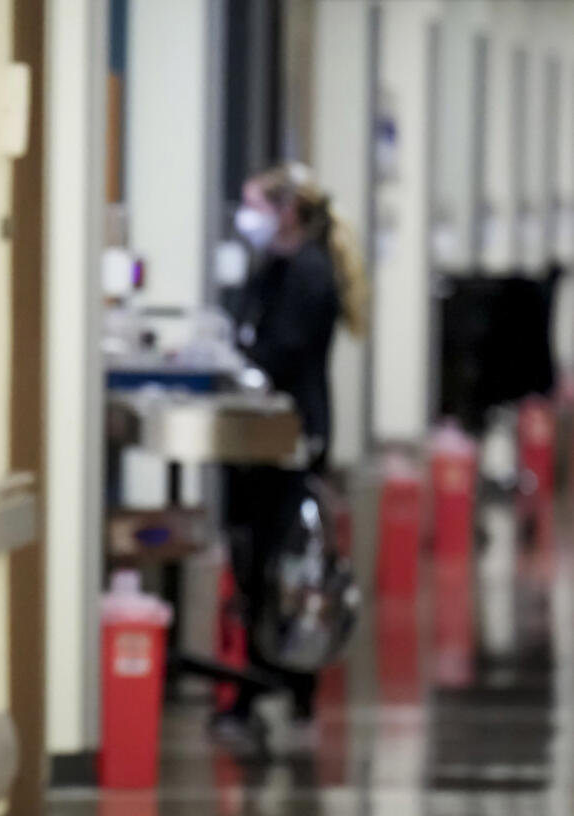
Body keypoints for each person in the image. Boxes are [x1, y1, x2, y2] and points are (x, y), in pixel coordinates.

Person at [216, 162, 367, 745]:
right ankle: (267, 686)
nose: (245, 217)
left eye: (255, 205)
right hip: (268, 433)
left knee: (279, 564)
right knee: (259, 561)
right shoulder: (277, 265)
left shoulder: (308, 273)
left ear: (286, 211)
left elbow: (280, 350)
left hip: (292, 435)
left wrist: (245, 367)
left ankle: (275, 686)